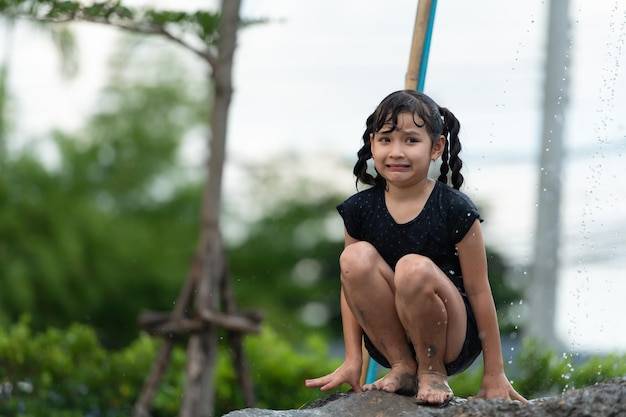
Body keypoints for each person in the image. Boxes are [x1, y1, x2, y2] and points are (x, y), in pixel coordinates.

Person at [305, 90, 527, 405]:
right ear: (372, 144)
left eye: (411, 141)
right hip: (389, 339)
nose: (396, 152)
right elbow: (350, 287)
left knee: (411, 267)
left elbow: (479, 291)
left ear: (436, 147)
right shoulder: (359, 210)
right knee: (353, 258)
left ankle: (432, 372)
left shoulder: (455, 209)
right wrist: (354, 358)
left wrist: (494, 372)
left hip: (452, 336)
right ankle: (404, 367)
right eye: (386, 140)